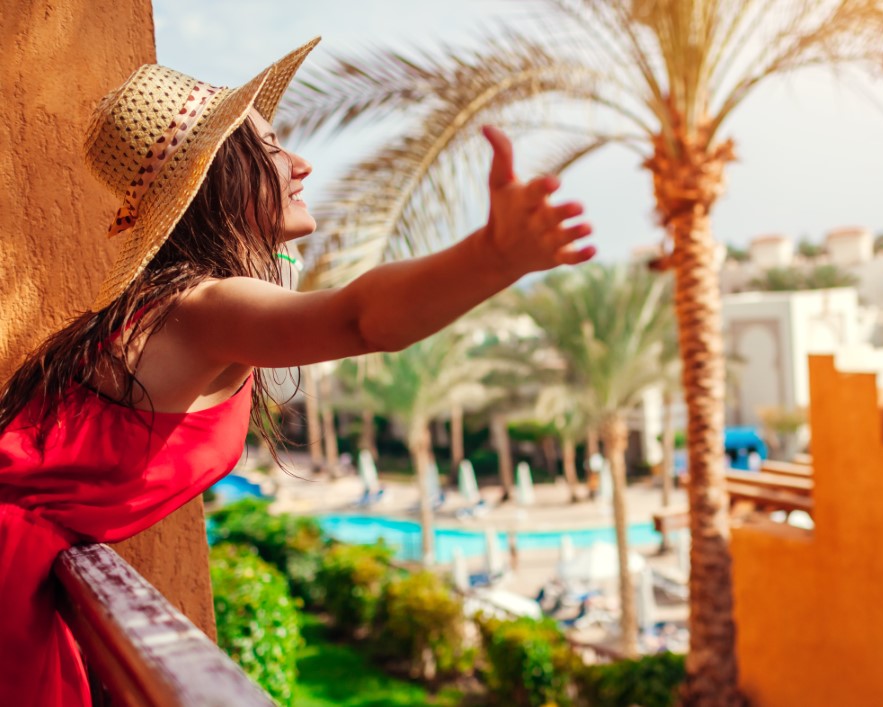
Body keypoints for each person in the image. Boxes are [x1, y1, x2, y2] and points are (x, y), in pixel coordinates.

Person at [0, 37, 594, 705]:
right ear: (217, 178)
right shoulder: (206, 307)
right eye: (274, 147)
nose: (301, 164)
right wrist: (491, 257)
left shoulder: (179, 308)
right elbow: (360, 320)